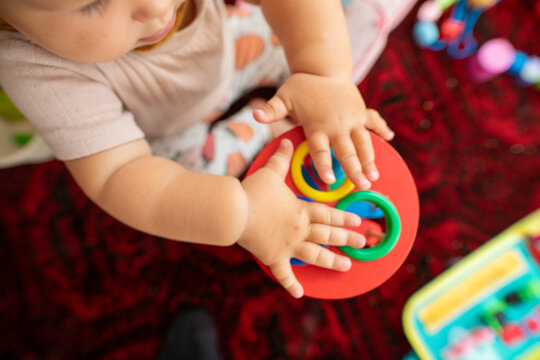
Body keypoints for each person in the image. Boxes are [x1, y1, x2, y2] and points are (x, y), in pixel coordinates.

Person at [0, 0, 397, 298]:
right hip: (169, 127)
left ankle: (295, 99)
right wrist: (240, 214)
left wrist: (321, 72)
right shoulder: (32, 64)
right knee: (191, 187)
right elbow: (116, 174)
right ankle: (269, 124)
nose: (155, 7)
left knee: (327, 43)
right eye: (93, 3)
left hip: (234, 38)